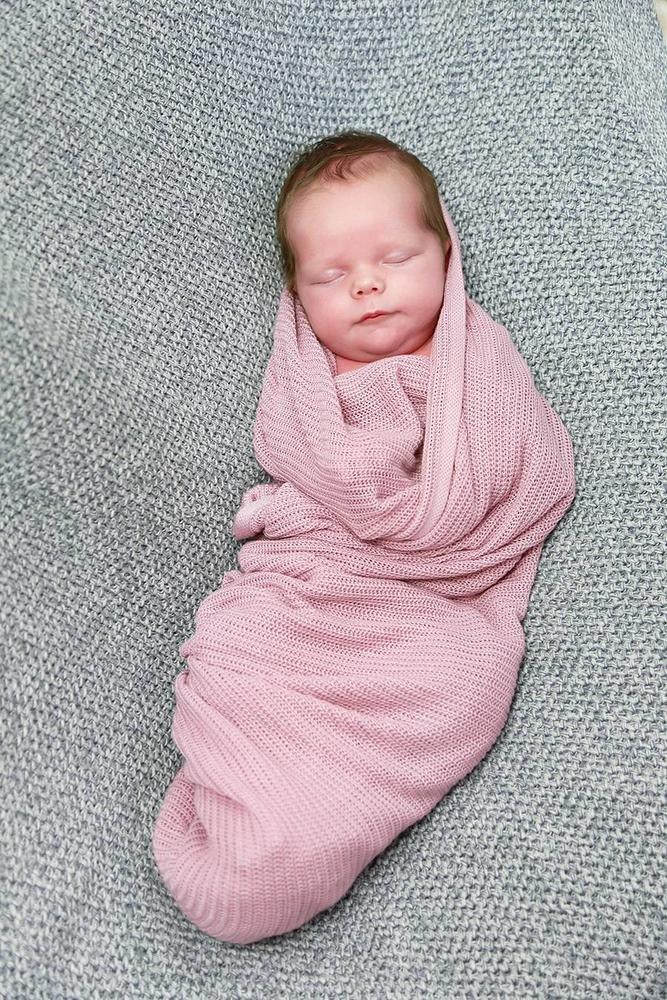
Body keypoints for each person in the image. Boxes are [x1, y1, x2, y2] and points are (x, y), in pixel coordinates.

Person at [276, 130, 453, 374]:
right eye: (330, 277)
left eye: (396, 259)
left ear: (445, 258)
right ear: (298, 291)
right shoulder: (304, 381)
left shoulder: (481, 354)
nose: (366, 284)